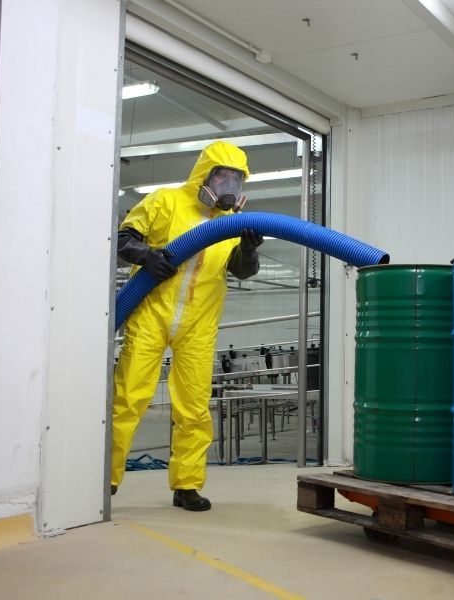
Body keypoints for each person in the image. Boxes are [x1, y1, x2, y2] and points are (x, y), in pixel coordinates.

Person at [112, 141, 264, 511]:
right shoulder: (165, 200)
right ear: (204, 174)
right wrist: (147, 256)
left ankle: (187, 484)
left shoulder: (231, 224)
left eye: (236, 180)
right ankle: (105, 479)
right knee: (129, 399)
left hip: (199, 323)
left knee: (194, 408)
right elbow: (123, 238)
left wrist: (248, 250)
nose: (228, 187)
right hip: (151, 313)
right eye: (222, 176)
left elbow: (242, 271)